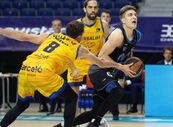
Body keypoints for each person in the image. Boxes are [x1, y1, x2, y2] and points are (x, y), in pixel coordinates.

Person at [0, 20, 133, 127]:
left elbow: (22, 36)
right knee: (71, 98)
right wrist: (120, 66)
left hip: (26, 69)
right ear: (80, 36)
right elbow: (101, 63)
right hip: (43, 72)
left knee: (22, 104)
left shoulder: (52, 36)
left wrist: (2, 30)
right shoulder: (79, 48)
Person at [68, 5, 141, 127]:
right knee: (117, 91)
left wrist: (124, 72)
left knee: (94, 112)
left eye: (135, 14)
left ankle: (64, 125)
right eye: (130, 15)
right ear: (123, 20)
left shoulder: (137, 35)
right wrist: (120, 67)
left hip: (109, 72)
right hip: (97, 70)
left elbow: (128, 54)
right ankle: (96, 123)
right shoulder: (118, 35)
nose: (134, 17)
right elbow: (101, 57)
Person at [67, 0, 109, 95]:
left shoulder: (104, 24)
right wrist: (73, 68)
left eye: (95, 7)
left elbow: (109, 45)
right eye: (90, 7)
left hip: (95, 63)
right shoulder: (76, 25)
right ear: (84, 9)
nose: (93, 10)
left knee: (101, 97)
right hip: (78, 64)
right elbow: (67, 50)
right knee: (74, 99)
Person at [100, 9, 120, 120]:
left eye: (107, 17)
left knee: (112, 88)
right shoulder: (95, 30)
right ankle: (98, 114)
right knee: (99, 90)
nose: (105, 18)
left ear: (110, 19)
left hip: (110, 62)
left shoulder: (115, 32)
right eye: (103, 16)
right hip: (97, 62)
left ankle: (115, 113)